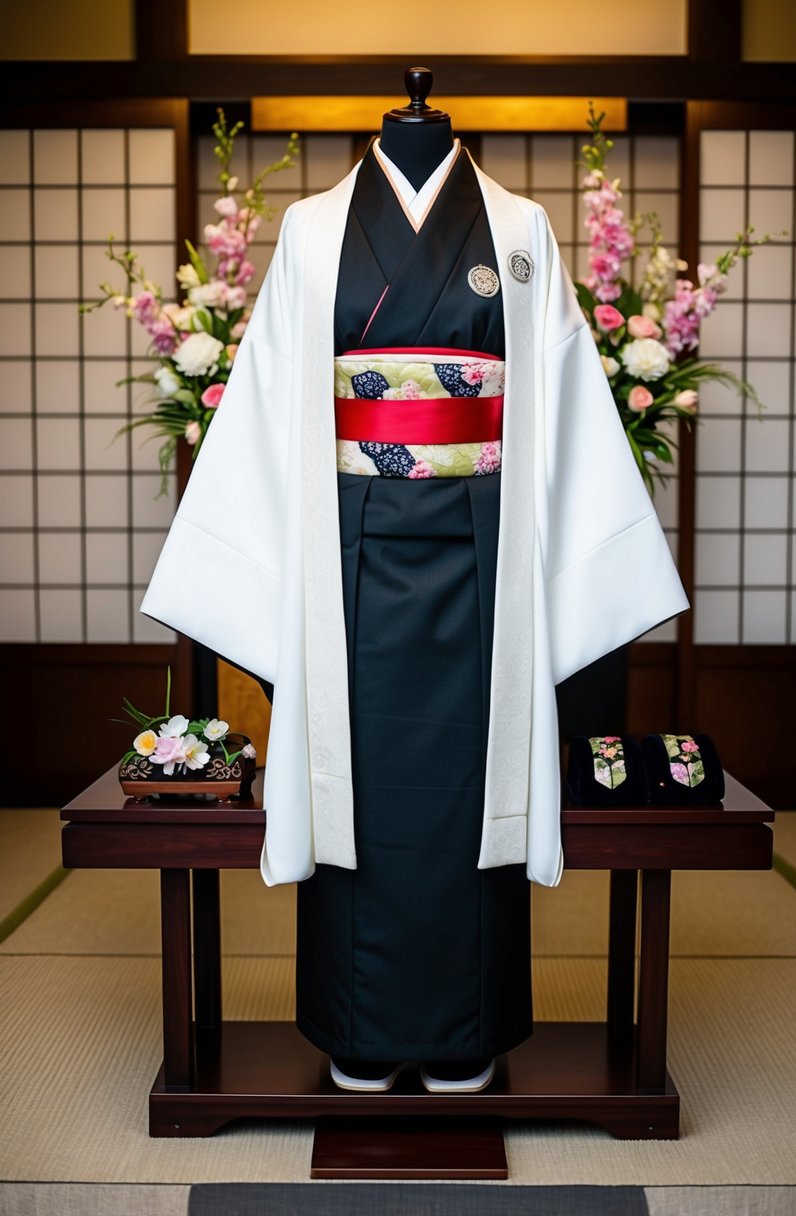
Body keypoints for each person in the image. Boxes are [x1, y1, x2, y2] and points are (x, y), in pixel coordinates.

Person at [141, 70, 689, 1096]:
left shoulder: (521, 228)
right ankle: (356, 1025)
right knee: (360, 791)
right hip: (344, 551)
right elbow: (264, 403)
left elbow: (564, 398)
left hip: (486, 560)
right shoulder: (309, 230)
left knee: (471, 781)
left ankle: (465, 1027)